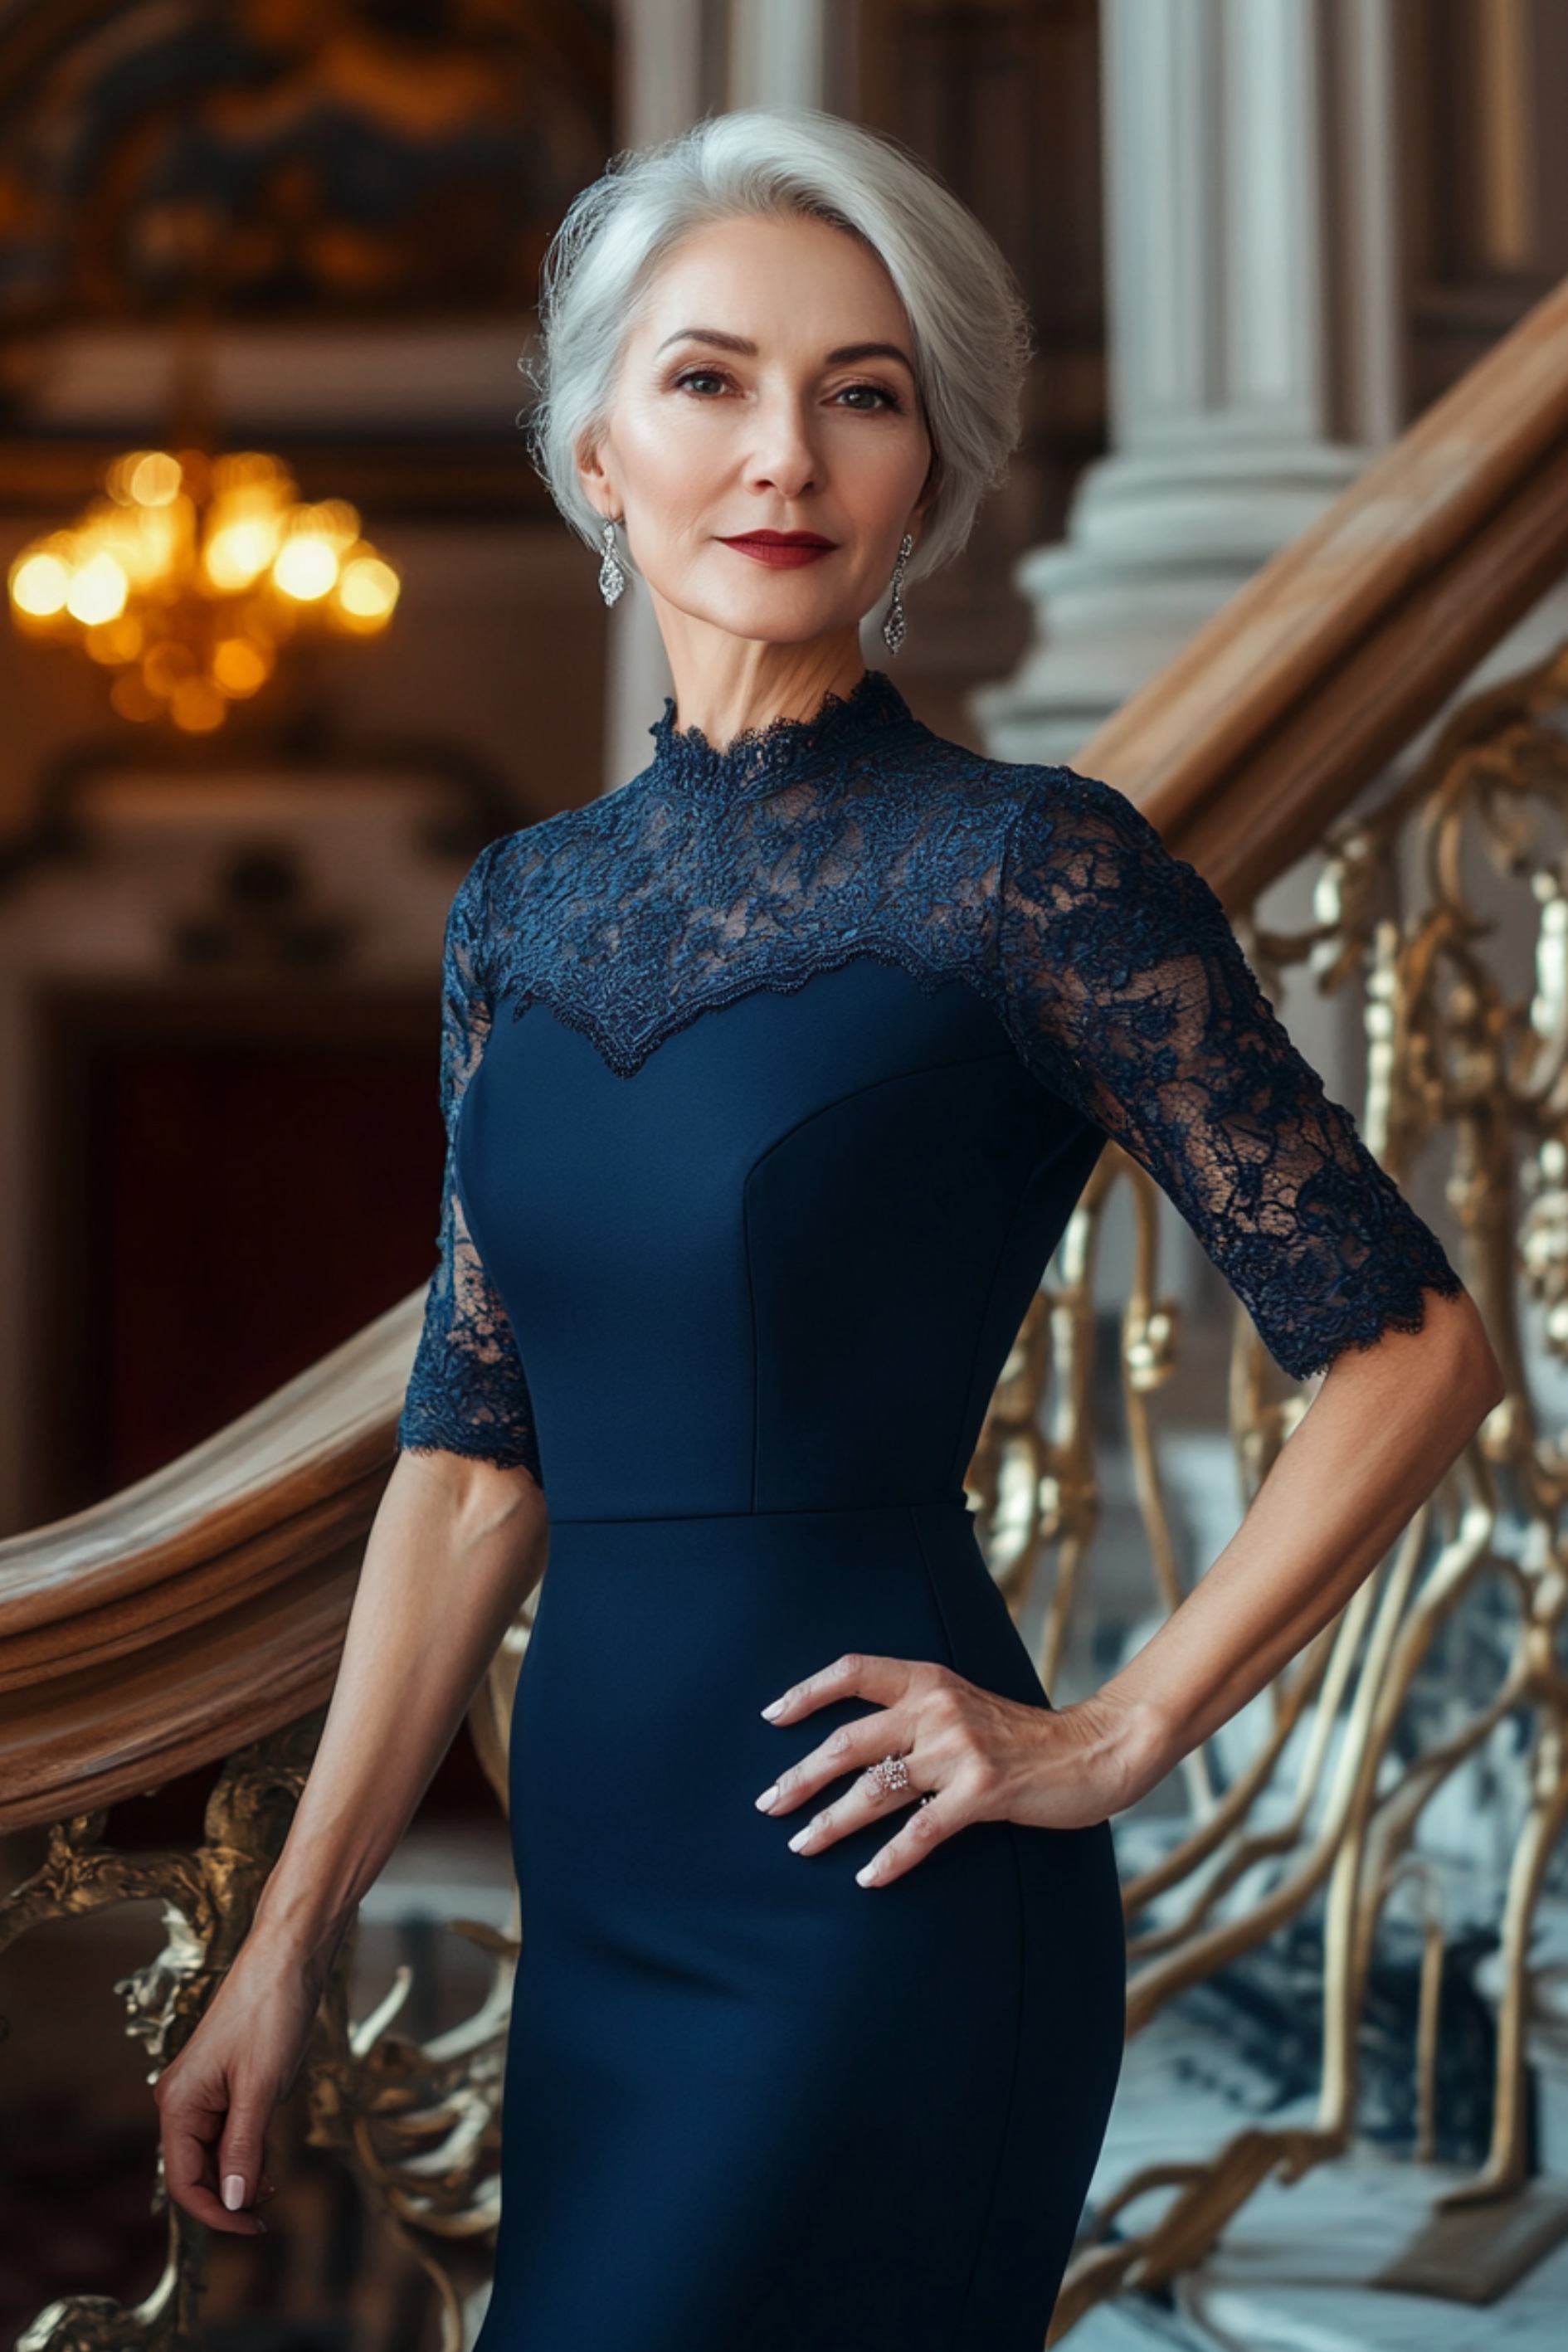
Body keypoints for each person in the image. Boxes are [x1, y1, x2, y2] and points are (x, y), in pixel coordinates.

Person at [154, 109, 1502, 2352]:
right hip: (597, 1897)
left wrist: (1113, 1729)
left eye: (859, 392)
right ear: (595, 449)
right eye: (707, 379)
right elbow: (475, 1452)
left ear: (922, 472)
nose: (782, 448)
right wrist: (290, 1934)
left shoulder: (1027, 873)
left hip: (874, 1886)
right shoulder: (519, 911)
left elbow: (1410, 1347)